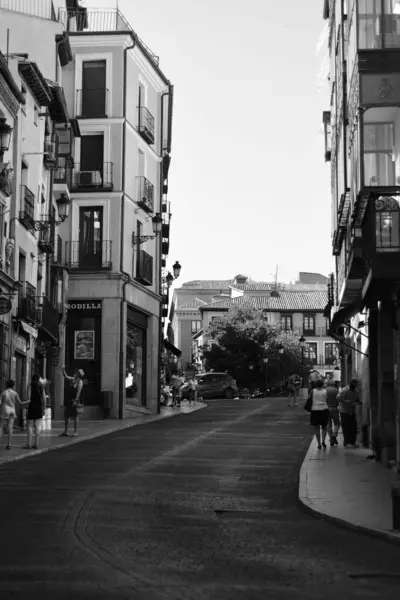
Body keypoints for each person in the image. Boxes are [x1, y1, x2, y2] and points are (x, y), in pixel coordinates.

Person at [0, 380, 29, 449]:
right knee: (10, 428)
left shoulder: (3, 393)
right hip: (12, 411)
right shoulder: (15, 393)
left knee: (1, 427)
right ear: (13, 386)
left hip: (4, 410)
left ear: (6, 385)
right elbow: (20, 403)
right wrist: (28, 401)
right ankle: (9, 444)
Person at [60, 367, 84, 437]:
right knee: (66, 415)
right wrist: (63, 369)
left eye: (77, 372)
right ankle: (66, 431)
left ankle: (75, 431)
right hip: (69, 399)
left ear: (79, 374)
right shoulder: (73, 379)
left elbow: (78, 392)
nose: (75, 373)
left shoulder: (80, 382)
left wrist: (75, 400)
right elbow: (65, 376)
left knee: (75, 416)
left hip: (74, 400)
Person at [338, 378, 362, 448]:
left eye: (356, 385)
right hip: (344, 411)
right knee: (346, 427)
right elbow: (338, 398)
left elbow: (357, 399)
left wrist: (359, 402)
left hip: (352, 411)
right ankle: (346, 442)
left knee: (353, 428)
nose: (355, 387)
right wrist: (346, 401)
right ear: (350, 384)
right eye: (354, 385)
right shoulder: (344, 390)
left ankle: (352, 442)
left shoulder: (356, 391)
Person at [24, 375, 46, 449]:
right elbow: (44, 399)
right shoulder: (41, 386)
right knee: (38, 425)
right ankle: (36, 444)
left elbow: (28, 398)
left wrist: (27, 408)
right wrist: (44, 408)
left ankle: (29, 444)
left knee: (30, 426)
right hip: (39, 407)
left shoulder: (30, 386)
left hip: (31, 407)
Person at [309, 378, 330, 449]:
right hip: (324, 410)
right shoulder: (325, 391)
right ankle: (323, 441)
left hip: (315, 410)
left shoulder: (313, 391)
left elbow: (310, 399)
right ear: (322, 385)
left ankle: (318, 444)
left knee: (317, 428)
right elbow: (327, 400)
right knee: (324, 427)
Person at [325, 379, 340, 446]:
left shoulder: (324, 390)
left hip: (326, 409)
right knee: (337, 423)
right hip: (334, 408)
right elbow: (338, 399)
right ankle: (334, 434)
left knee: (328, 425)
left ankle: (331, 438)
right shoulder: (335, 390)